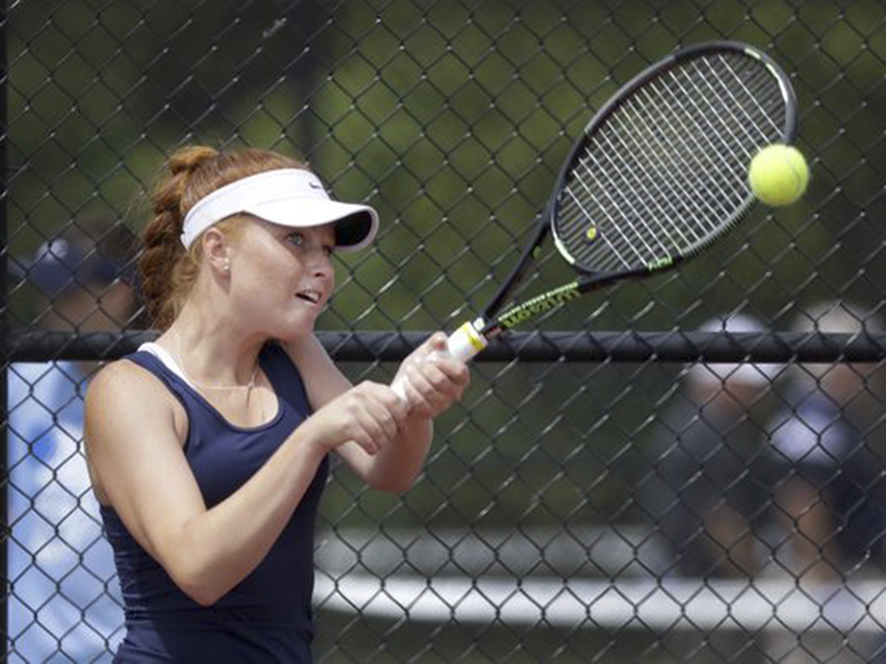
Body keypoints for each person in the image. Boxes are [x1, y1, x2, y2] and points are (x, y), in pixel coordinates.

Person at [82, 145, 470, 662]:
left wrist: (417, 408)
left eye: (327, 251)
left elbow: (388, 468)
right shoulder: (128, 391)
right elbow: (198, 568)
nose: (322, 269)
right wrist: (309, 438)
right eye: (296, 241)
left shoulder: (294, 355)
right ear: (218, 250)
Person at [7, 227, 138, 662]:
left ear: (118, 295)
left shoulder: (160, 395)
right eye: (44, 292)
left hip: (129, 647)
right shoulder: (21, 383)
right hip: (30, 650)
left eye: (67, 294)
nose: (49, 309)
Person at [645, 314, 779, 578]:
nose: (762, 393)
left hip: (681, 572)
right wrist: (754, 582)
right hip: (703, 579)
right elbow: (722, 521)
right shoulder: (713, 434)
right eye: (753, 385)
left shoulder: (688, 422)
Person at [768, 301, 886, 584]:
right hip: (833, 581)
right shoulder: (810, 419)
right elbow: (801, 499)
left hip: (854, 570)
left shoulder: (841, 417)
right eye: (868, 358)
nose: (877, 369)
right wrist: (824, 577)